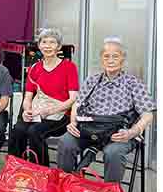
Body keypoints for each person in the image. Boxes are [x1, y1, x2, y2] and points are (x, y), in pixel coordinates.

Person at [57, 37, 156, 182]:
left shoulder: (133, 83)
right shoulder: (92, 80)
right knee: (66, 142)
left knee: (113, 152)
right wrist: (73, 123)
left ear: (123, 59)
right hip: (90, 130)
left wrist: (133, 132)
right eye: (106, 56)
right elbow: (76, 105)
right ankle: (64, 185)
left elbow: (148, 114)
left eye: (115, 56)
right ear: (101, 60)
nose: (110, 60)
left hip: (120, 133)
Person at [8, 28, 79, 165]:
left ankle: (41, 170)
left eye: (52, 42)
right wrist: (27, 110)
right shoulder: (34, 68)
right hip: (38, 111)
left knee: (34, 132)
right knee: (18, 130)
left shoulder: (69, 67)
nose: (48, 46)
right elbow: (28, 97)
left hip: (61, 114)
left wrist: (50, 111)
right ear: (39, 46)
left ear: (59, 46)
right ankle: (17, 168)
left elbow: (73, 99)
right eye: (44, 42)